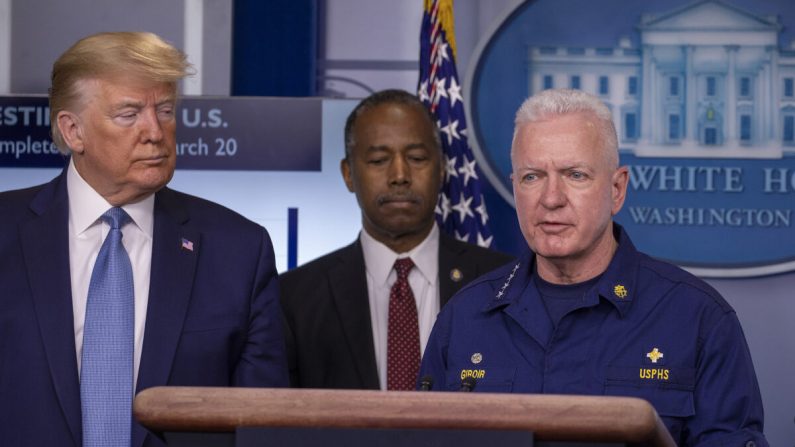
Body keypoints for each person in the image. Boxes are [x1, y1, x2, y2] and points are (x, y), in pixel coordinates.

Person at [418, 89, 767, 446]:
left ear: (617, 189)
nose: (551, 199)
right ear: (515, 188)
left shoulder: (698, 320)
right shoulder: (463, 318)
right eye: (532, 177)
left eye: (575, 175)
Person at [0, 32, 288, 447]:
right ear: (73, 130)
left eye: (166, 111)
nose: (155, 132)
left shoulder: (239, 250)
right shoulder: (6, 234)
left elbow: (264, 425)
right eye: (129, 114)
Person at [280, 89, 512, 390]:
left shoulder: (505, 284)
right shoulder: (293, 298)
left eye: (416, 158)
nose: (399, 175)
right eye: (378, 160)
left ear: (442, 169)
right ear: (348, 174)